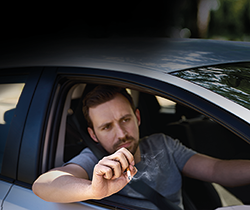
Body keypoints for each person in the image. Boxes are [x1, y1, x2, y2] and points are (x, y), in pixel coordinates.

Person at [32, 85, 250, 209]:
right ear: (93, 134)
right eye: (107, 127)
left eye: (125, 119)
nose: (121, 133)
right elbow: (43, 185)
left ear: (137, 117)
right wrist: (93, 190)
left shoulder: (162, 144)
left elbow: (216, 170)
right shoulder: (95, 162)